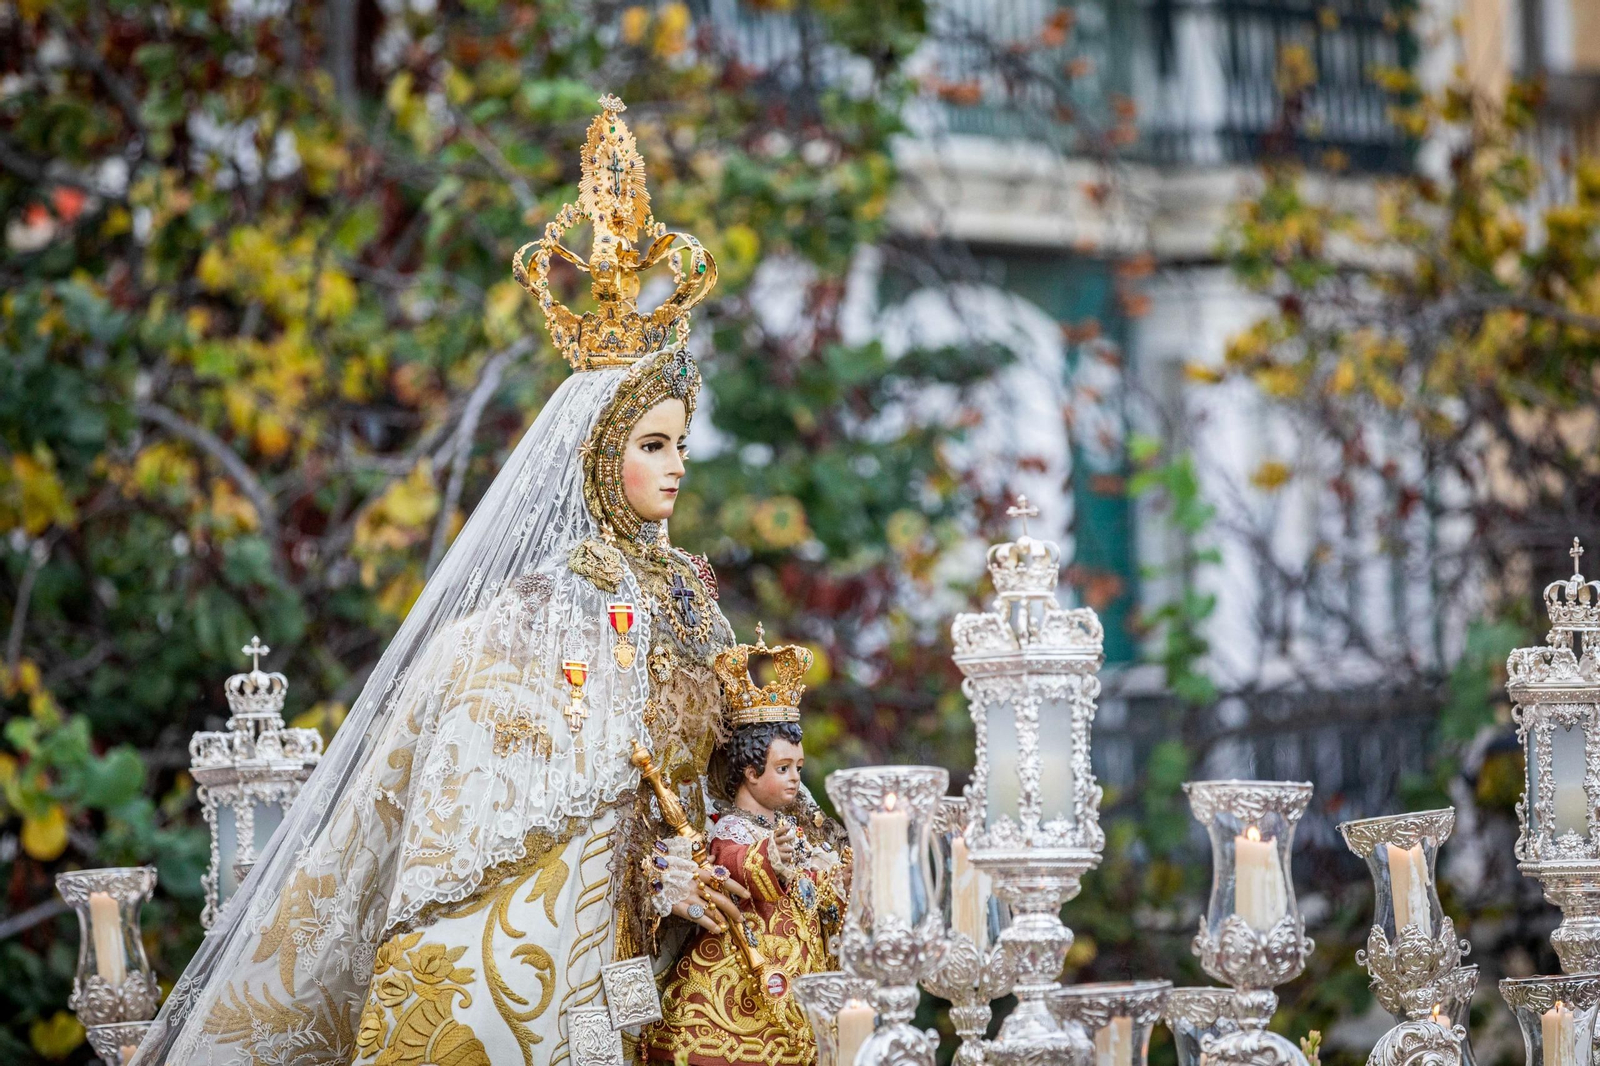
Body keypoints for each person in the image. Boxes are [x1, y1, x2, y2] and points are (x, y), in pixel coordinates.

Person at [137, 95, 745, 1066]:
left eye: (682, 444)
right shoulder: (534, 625)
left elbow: (731, 770)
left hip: (694, 956)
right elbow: (511, 858)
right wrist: (649, 874)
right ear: (597, 456)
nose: (676, 467)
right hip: (586, 994)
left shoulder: (690, 598)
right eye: (653, 443)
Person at [644, 628, 849, 1066]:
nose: (796, 778)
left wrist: (838, 878)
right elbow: (730, 867)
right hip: (738, 988)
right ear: (751, 773)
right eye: (783, 767)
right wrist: (769, 859)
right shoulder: (731, 830)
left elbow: (811, 894)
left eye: (798, 767)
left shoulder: (793, 830)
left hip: (796, 989)